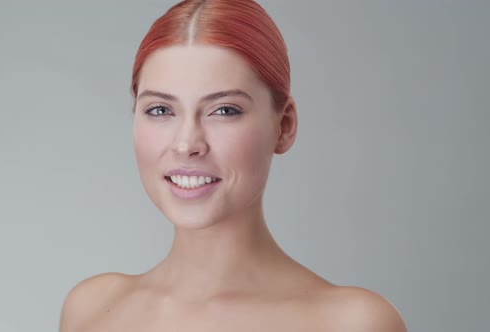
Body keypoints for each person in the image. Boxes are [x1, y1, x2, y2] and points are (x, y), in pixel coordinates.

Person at [59, 0, 407, 331]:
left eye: (224, 110)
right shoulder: (90, 310)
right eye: (160, 110)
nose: (186, 144)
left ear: (283, 126)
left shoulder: (353, 324)